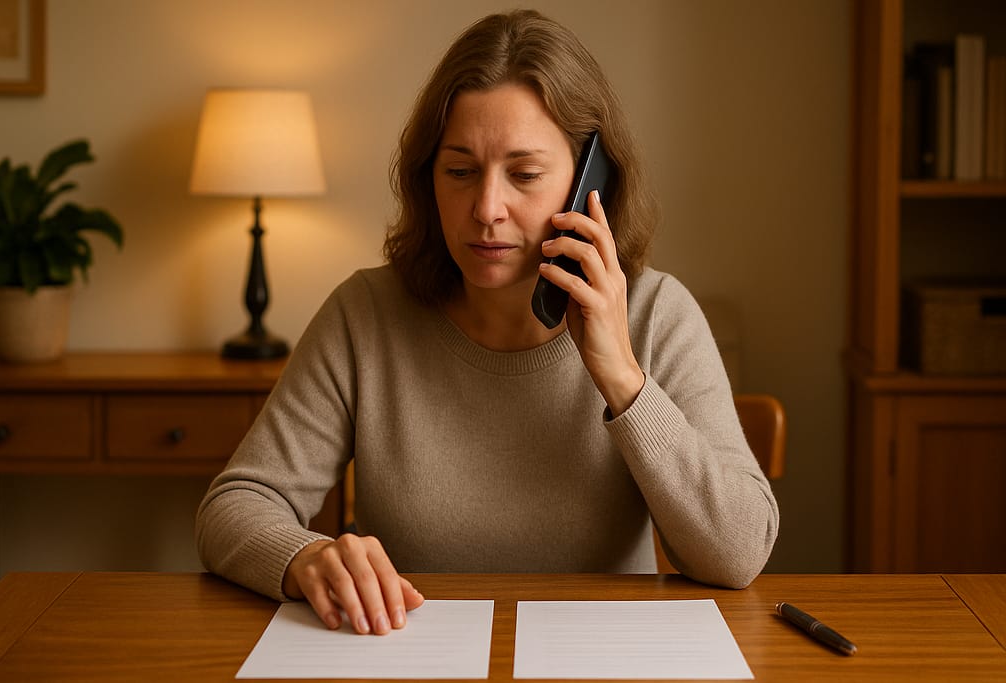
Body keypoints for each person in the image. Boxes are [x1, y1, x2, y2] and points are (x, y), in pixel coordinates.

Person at [196, 8, 779, 637]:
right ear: (429, 180)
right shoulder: (365, 315)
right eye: (460, 171)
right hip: (412, 660)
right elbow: (233, 506)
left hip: (599, 661)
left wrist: (624, 381)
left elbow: (738, 552)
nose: (487, 209)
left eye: (525, 175)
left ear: (592, 184)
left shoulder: (659, 314)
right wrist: (304, 556)